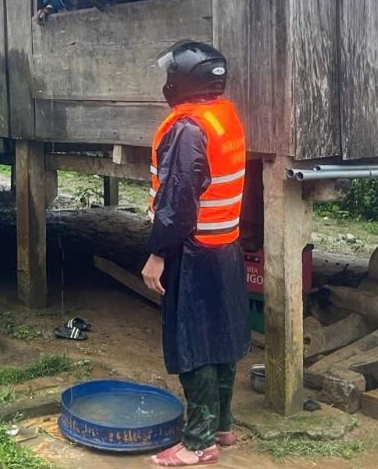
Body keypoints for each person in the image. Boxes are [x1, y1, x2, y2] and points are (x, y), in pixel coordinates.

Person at [142, 41, 250, 466]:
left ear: (182, 81)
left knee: (194, 344)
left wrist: (157, 253)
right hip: (224, 245)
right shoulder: (222, 117)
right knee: (222, 338)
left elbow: (177, 203)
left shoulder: (187, 128)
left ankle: (197, 443)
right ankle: (222, 425)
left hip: (193, 250)